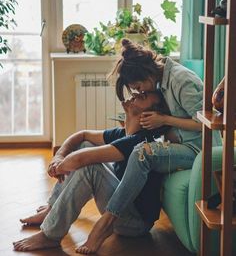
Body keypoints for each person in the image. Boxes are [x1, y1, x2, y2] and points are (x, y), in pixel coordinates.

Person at [73, 39, 223, 254]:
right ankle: (56, 206)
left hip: (199, 150)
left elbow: (204, 123)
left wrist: (164, 120)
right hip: (180, 144)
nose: (138, 91)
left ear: (146, 74)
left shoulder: (181, 80)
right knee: (125, 145)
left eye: (138, 87)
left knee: (142, 153)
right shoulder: (163, 80)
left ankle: (105, 223)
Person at [13, 89, 174, 252]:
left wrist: (58, 166)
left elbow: (80, 160)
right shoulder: (122, 134)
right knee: (85, 145)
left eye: (142, 97)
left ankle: (50, 235)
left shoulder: (141, 141)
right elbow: (82, 135)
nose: (135, 94)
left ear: (148, 116)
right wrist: (59, 156)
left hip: (134, 223)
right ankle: (51, 209)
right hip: (121, 209)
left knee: (90, 166)